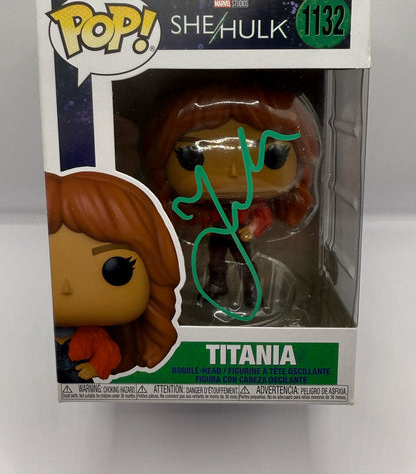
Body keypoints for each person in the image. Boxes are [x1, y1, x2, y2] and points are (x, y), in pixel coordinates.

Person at [144, 85, 320, 309]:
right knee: (216, 259)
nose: (235, 172)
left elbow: (263, 217)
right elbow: (193, 213)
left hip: (239, 234)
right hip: (218, 233)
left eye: (272, 155)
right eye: (192, 156)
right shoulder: (202, 204)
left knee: (244, 261)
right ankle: (217, 284)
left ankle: (251, 289)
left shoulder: (256, 205)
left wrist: (251, 230)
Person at [46, 171, 180, 382]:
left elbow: (107, 351)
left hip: (78, 379)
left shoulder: (93, 335)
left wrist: (94, 367)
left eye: (116, 270)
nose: (66, 288)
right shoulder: (37, 332)